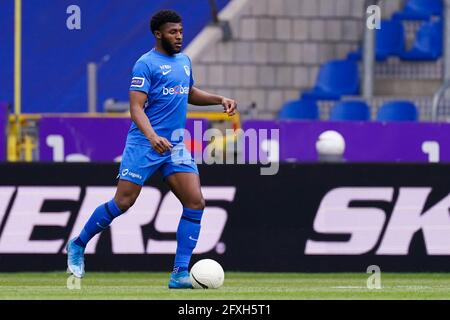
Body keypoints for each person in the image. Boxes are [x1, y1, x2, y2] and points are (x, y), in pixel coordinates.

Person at [66, 9, 237, 289]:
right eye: (173, 32)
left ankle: (179, 274)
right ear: (158, 34)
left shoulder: (184, 61)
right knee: (123, 202)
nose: (179, 37)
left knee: (195, 202)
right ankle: (78, 243)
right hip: (145, 143)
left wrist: (220, 99)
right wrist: (153, 135)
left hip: (176, 145)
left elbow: (189, 92)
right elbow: (136, 108)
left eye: (181, 31)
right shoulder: (145, 64)